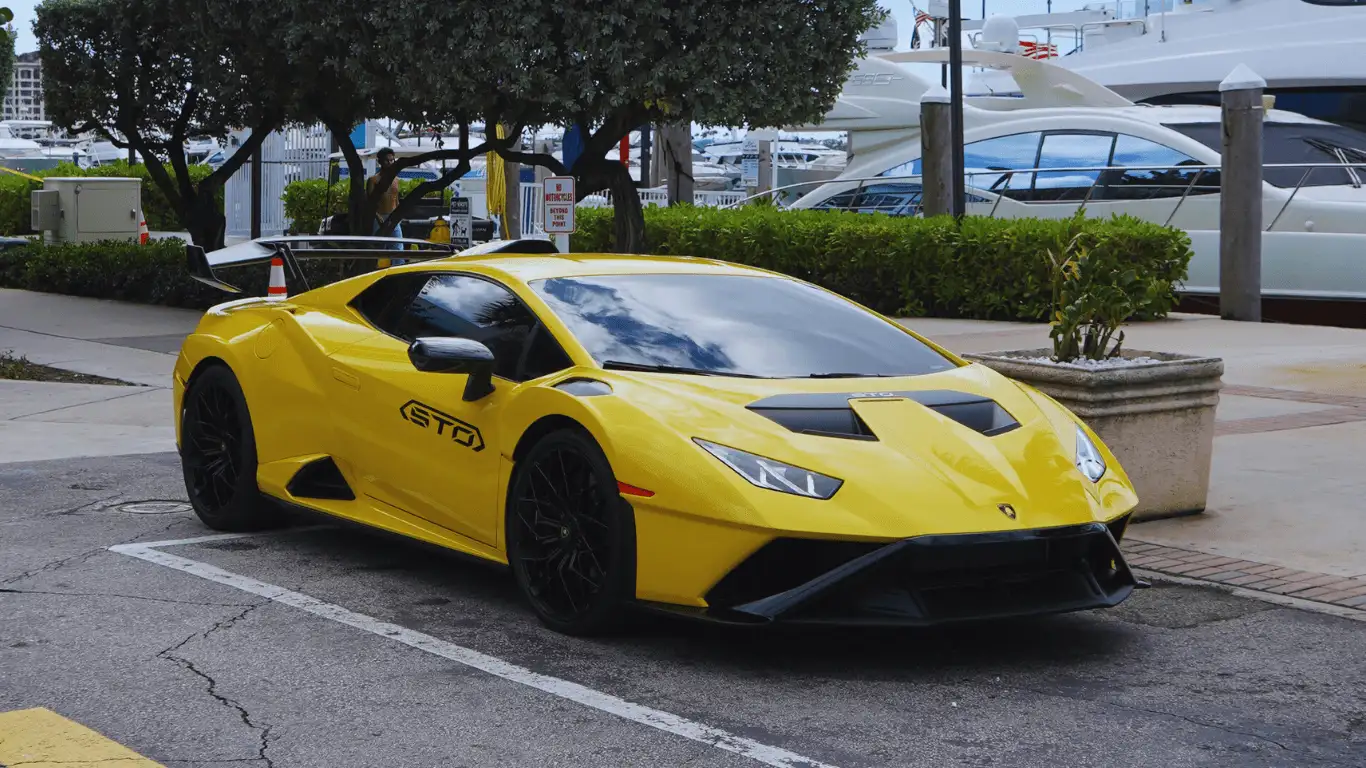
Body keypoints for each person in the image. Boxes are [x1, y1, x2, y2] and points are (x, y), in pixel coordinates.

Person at [367, 147, 405, 257]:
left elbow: (396, 199)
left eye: (392, 160)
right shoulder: (373, 180)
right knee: (378, 248)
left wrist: (399, 215)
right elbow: (370, 203)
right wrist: (377, 216)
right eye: (387, 161)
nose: (390, 163)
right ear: (380, 162)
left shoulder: (396, 180)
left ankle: (397, 271)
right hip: (378, 217)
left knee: (398, 248)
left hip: (393, 216)